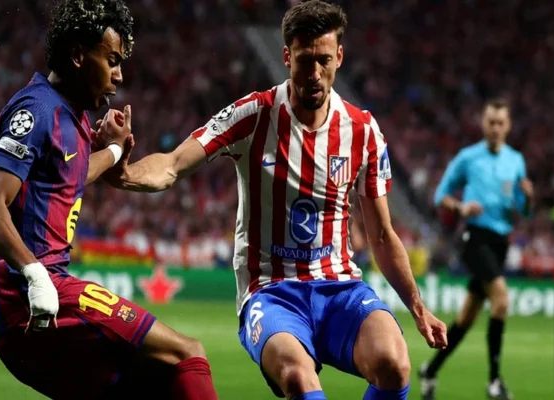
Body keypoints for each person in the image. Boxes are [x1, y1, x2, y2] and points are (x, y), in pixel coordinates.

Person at [100, 2, 448, 399]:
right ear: (286, 57)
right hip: (271, 291)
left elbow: (382, 236)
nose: (314, 74)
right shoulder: (254, 114)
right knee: (299, 378)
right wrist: (123, 172)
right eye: (304, 61)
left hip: (340, 288)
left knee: (395, 364)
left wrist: (418, 308)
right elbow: (174, 164)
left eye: (323, 60)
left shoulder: (363, 130)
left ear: (339, 57)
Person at [0, 1, 218, 399]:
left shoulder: (73, 117)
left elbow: (70, 175)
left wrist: (116, 152)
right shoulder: (37, 110)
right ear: (77, 56)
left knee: (152, 386)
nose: (119, 75)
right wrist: (36, 276)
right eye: (112, 61)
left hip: (34, 311)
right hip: (33, 298)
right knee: (187, 355)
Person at [419, 99, 532, 400]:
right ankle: (494, 381)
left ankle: (429, 371)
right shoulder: (468, 158)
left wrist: (528, 199)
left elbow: (522, 209)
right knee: (501, 300)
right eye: (491, 122)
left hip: (500, 242)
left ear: (508, 126)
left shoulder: (515, 161)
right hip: (474, 237)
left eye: (500, 123)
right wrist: (460, 207)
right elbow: (440, 195)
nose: (495, 128)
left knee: (466, 318)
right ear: (484, 123)